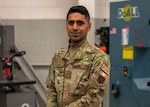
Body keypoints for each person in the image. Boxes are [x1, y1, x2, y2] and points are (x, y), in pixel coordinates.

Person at [46, 5, 110, 107]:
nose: (75, 27)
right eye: (71, 23)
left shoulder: (98, 58)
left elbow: (95, 96)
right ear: (66, 25)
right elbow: (51, 88)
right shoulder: (58, 56)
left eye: (80, 23)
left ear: (89, 27)